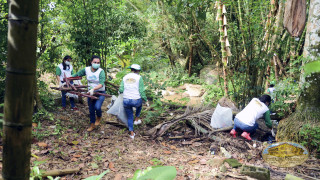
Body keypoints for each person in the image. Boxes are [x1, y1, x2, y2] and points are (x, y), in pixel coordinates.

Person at [72, 55, 106, 132]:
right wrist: (67, 79)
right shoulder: (86, 69)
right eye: (95, 62)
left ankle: (99, 116)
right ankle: (92, 124)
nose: (96, 64)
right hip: (90, 93)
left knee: (97, 107)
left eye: (98, 62)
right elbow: (77, 74)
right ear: (91, 62)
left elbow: (101, 83)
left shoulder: (101, 71)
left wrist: (94, 89)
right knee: (91, 109)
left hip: (100, 92)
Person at [119, 64, 148, 139]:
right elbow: (141, 91)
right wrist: (145, 99)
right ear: (138, 71)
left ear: (131, 69)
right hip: (136, 100)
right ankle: (136, 119)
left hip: (126, 100)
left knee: (129, 117)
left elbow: (121, 89)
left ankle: (132, 134)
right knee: (140, 104)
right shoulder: (139, 78)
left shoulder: (125, 77)